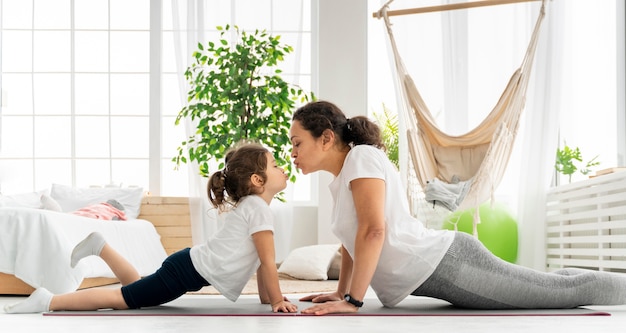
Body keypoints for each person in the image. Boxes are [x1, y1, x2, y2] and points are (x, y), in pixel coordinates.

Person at [289, 100, 626, 316]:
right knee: (551, 285)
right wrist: (340, 291)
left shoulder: (361, 158)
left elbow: (374, 230)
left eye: (297, 142)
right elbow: (354, 241)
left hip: (449, 264)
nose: (292, 152)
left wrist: (353, 302)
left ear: (327, 138)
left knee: (560, 293)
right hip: (443, 267)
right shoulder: (345, 175)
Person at [4, 142, 297, 314]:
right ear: (258, 180)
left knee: (136, 289)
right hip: (185, 271)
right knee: (124, 299)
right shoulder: (258, 210)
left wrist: (270, 299)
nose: (282, 168)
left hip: (185, 266)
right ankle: (50, 301)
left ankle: (101, 247)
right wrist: (277, 301)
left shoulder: (255, 208)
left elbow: (261, 262)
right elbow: (269, 261)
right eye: (274, 165)